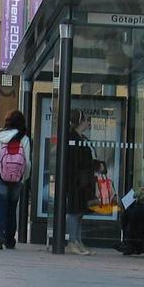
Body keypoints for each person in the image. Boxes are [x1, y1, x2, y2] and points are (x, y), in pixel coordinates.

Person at [0, 111, 31, 250]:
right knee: (11, 208)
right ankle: (10, 239)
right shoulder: (24, 138)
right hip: (17, 179)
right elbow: (27, 163)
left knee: (0, 206)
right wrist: (23, 178)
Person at [65, 109, 96, 256]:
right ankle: (72, 241)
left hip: (83, 180)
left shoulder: (80, 137)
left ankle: (77, 240)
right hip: (76, 180)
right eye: (87, 120)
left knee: (80, 211)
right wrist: (94, 165)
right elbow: (78, 162)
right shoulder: (72, 138)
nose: (89, 123)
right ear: (81, 122)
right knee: (74, 210)